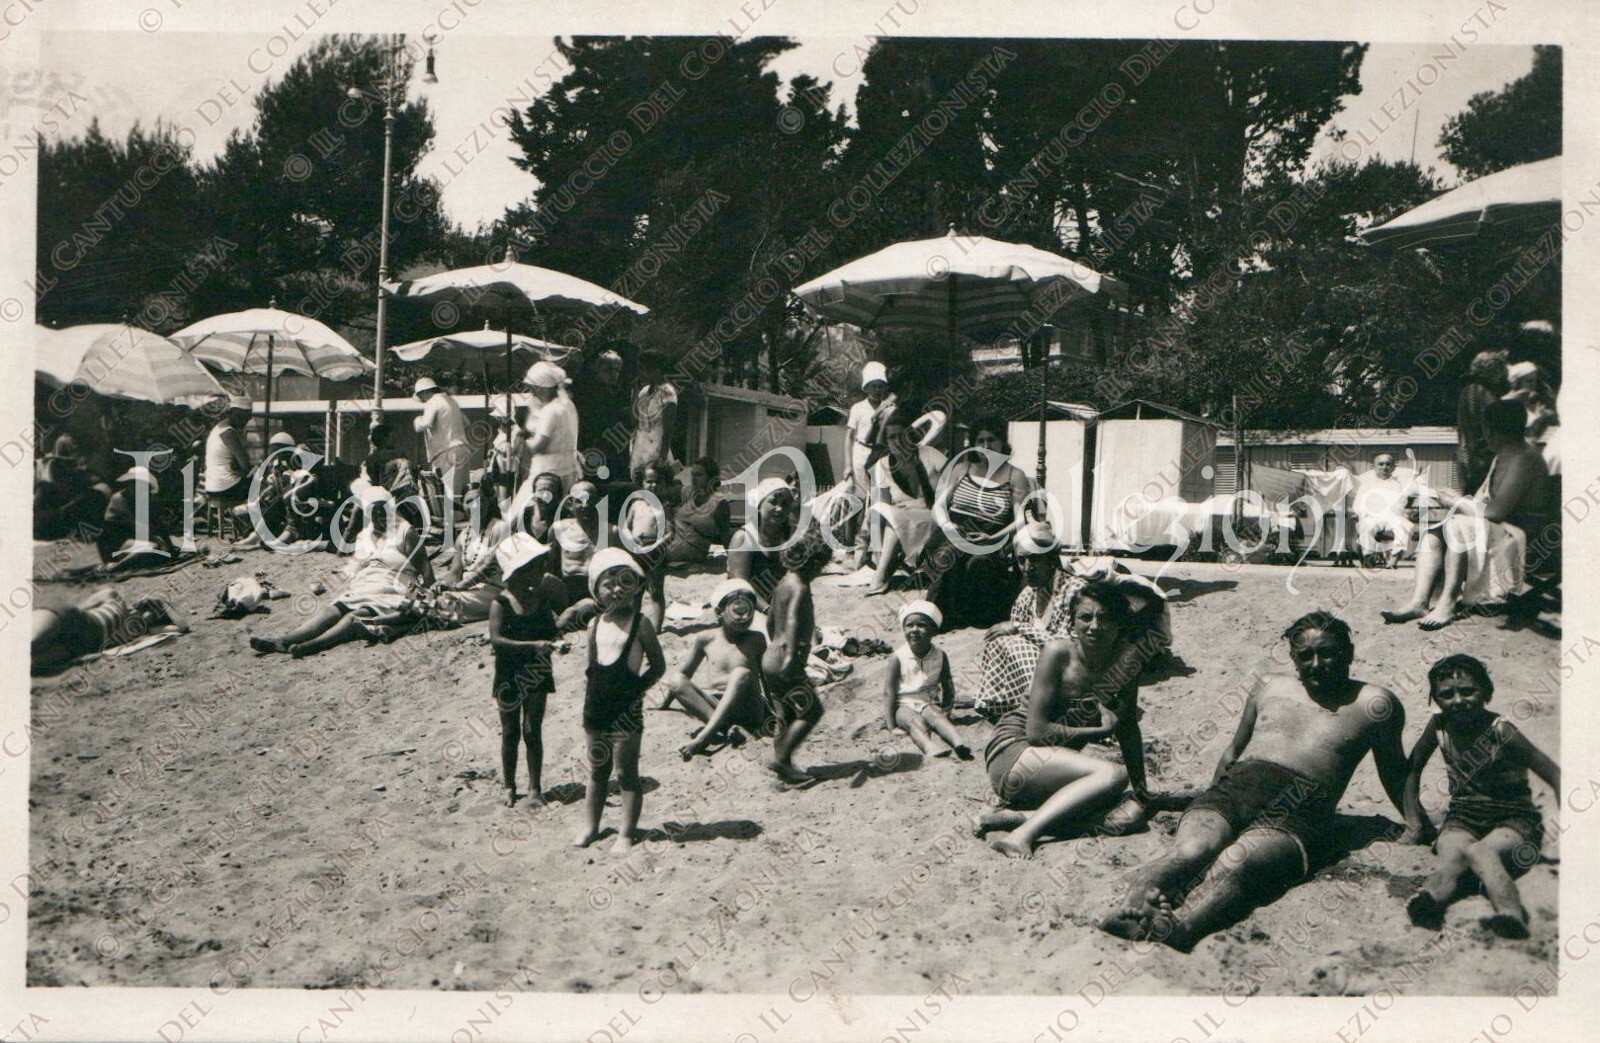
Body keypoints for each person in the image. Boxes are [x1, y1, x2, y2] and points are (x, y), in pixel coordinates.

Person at [1099, 611, 1409, 951]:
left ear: (1348, 653)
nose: (1317, 664)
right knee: (1192, 850)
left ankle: (1183, 928)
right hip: (1236, 787)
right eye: (1306, 655)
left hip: (1301, 807)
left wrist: (1416, 821)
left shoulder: (1373, 704)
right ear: (1293, 658)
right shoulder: (1270, 686)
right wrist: (1212, 797)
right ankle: (1132, 909)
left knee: (1238, 861)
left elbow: (1394, 770)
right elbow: (1233, 751)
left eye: (1328, 653)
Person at [974, 581, 1145, 859]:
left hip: (1051, 764)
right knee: (1113, 775)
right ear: (1073, 622)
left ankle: (1013, 818)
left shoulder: (1128, 660)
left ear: (1119, 623)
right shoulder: (1058, 653)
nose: (1094, 626)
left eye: (1105, 618)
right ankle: (1022, 835)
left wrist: (1142, 792)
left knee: (1127, 818)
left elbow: (1127, 728)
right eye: (1085, 617)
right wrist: (1099, 731)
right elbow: (1037, 733)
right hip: (1015, 753)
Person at [1401, 654, 1559, 939]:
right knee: (1452, 856)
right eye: (1446, 694)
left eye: (1468, 691)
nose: (1457, 700)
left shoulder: (1500, 730)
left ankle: (1510, 913)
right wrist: (1414, 821)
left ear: (1486, 693)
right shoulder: (1439, 727)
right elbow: (1412, 769)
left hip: (1513, 817)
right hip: (1463, 816)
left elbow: (1553, 773)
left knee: (1482, 852)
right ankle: (1428, 900)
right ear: (1435, 699)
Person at [1381, 400, 1552, 630]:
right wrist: (1454, 498)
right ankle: (1418, 602)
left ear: (1495, 430)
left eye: (1485, 429)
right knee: (1434, 533)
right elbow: (1481, 502)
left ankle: (1448, 603)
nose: (1484, 436)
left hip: (1523, 534)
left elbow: (1496, 511)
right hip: (1499, 528)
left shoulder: (1525, 459)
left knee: (1455, 526)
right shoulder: (1502, 458)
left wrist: (1455, 501)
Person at [249, 486, 433, 657]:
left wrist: (423, 597)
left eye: (382, 510)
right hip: (364, 586)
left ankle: (314, 645)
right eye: (373, 511)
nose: (378, 515)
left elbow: (426, 570)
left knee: (355, 616)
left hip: (393, 589)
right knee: (330, 611)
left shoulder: (405, 532)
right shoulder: (365, 535)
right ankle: (284, 640)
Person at [575, 548, 666, 853]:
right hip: (595, 709)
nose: (616, 589)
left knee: (626, 773)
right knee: (597, 771)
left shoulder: (641, 624)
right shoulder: (594, 625)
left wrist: (638, 689)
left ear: (635, 587)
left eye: (624, 582)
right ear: (596, 591)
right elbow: (591, 669)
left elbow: (658, 665)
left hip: (627, 710)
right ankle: (591, 826)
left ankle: (626, 833)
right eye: (608, 583)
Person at [924, 416, 1034, 629]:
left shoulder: (1014, 475)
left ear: (1002, 442)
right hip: (955, 530)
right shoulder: (962, 469)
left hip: (991, 534)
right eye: (980, 440)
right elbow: (939, 506)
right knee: (948, 552)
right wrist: (948, 526)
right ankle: (934, 614)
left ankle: (967, 615)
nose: (986, 445)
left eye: (991, 440)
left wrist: (993, 537)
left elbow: (1021, 518)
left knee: (979, 562)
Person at [489, 532, 568, 809]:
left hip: (537, 672)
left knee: (533, 730)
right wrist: (534, 645)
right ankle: (509, 785)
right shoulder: (500, 604)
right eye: (536, 567)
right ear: (520, 571)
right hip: (509, 673)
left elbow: (551, 630)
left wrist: (558, 642)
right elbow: (497, 640)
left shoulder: (541, 600)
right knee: (510, 732)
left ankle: (535, 787)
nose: (542, 571)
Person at [761, 524, 832, 786]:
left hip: (771, 655)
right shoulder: (800, 587)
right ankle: (781, 759)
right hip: (786, 658)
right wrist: (791, 654)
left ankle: (784, 765)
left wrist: (777, 645)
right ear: (814, 564)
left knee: (785, 711)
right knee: (813, 710)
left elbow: (771, 620)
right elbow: (792, 619)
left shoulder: (782, 583)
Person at [671, 578, 770, 759]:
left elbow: (767, 679)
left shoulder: (756, 639)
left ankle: (703, 737)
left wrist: (775, 714)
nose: (745, 618)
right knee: (676, 680)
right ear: (719, 613)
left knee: (741, 673)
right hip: (716, 705)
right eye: (737, 611)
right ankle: (727, 729)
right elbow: (685, 674)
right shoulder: (706, 639)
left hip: (749, 707)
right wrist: (667, 700)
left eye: (749, 612)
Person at [863, 408, 941, 596]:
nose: (897, 441)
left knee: (895, 519)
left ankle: (881, 576)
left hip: (933, 516)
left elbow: (953, 479)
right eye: (892, 437)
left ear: (911, 436)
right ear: (886, 441)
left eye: (902, 435)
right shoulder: (882, 465)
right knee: (887, 514)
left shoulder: (929, 454)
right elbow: (880, 509)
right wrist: (877, 553)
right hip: (902, 520)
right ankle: (883, 568)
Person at [882, 600, 969, 760]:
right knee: (914, 722)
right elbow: (889, 692)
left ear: (933, 631)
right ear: (903, 629)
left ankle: (958, 742)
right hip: (904, 704)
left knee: (939, 719)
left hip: (928, 702)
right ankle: (929, 746)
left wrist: (947, 709)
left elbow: (948, 685)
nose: (914, 630)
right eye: (909, 625)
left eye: (921, 625)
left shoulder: (940, 655)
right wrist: (891, 725)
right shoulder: (898, 657)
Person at [33, 588, 183, 675]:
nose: (149, 616)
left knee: (31, 664)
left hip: (78, 647)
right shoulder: (114, 597)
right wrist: (154, 600)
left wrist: (164, 603)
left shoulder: (145, 631)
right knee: (32, 642)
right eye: (150, 609)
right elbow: (80, 608)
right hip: (73, 620)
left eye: (156, 616)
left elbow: (183, 627)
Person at [434, 487, 513, 624]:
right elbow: (455, 572)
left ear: (488, 503)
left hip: (493, 590)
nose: (474, 506)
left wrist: (458, 587)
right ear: (463, 506)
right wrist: (442, 584)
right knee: (428, 599)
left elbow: (490, 568)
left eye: (479, 500)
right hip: (467, 591)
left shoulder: (500, 528)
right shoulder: (463, 536)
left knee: (441, 604)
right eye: (469, 502)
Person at [845, 361, 896, 568]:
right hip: (860, 454)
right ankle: (849, 550)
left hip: (880, 455)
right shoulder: (858, 408)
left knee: (877, 503)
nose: (877, 390)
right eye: (873, 386)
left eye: (880, 386)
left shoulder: (889, 408)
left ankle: (873, 551)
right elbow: (849, 437)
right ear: (866, 388)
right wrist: (847, 465)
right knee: (855, 502)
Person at [727, 477, 798, 613]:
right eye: (773, 502)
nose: (779, 509)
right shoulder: (743, 538)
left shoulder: (788, 536)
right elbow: (740, 586)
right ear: (759, 505)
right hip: (744, 606)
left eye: (785, 503)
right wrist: (768, 611)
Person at [622, 460, 676, 629]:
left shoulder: (665, 507)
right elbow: (626, 527)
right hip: (636, 550)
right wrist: (630, 540)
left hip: (655, 552)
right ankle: (633, 624)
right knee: (635, 590)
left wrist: (657, 544)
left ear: (665, 483)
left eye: (658, 481)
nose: (653, 485)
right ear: (642, 483)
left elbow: (670, 533)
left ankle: (656, 627)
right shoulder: (636, 505)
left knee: (655, 591)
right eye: (649, 481)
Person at [518, 360, 582, 499]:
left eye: (534, 389)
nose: (533, 394)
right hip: (567, 469)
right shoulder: (568, 405)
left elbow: (539, 446)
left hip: (547, 473)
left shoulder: (550, 410)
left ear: (544, 387)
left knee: (524, 508)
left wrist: (526, 437)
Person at [550, 480, 618, 606]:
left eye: (590, 500)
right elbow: (550, 566)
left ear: (598, 502)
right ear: (570, 504)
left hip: (599, 592)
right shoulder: (558, 529)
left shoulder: (612, 532)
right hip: (567, 591)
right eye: (579, 501)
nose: (585, 505)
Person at [34, 434, 110, 541]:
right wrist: (68, 509)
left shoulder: (90, 487)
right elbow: (38, 526)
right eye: (59, 464)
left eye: (70, 464)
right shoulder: (46, 488)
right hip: (54, 532)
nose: (65, 469)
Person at [1456, 350, 1509, 495]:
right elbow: (1498, 423)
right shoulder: (1483, 392)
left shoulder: (1468, 390)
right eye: (1501, 369)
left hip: (1467, 457)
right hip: (1482, 458)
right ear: (1491, 369)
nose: (1504, 374)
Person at [661, 456, 731, 566]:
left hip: (693, 552)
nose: (694, 479)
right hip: (672, 544)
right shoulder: (687, 492)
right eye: (692, 474)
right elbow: (661, 494)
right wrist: (669, 521)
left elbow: (725, 535)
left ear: (711, 478)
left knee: (649, 554)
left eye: (699, 475)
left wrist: (733, 560)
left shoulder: (719, 504)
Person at [1351, 453, 1415, 568]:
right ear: (1374, 466)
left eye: (1388, 464)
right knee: (1366, 526)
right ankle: (1368, 556)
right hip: (1373, 516)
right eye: (1381, 464)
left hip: (1393, 516)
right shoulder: (1366, 484)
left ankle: (1394, 557)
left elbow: (1402, 503)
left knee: (1406, 526)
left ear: (1393, 467)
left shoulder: (1398, 484)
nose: (1384, 467)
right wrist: (1365, 515)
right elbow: (1358, 504)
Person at [412, 377, 471, 500]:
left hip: (447, 452)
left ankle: (451, 513)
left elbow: (425, 423)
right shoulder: (451, 401)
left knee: (449, 495)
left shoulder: (432, 402)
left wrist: (417, 420)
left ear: (424, 393)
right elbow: (466, 422)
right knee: (463, 492)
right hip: (462, 449)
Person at [629, 351, 679, 477]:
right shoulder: (643, 392)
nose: (641, 373)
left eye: (644, 369)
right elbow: (634, 420)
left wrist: (662, 457)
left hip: (657, 446)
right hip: (640, 445)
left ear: (656, 369)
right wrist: (635, 391)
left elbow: (668, 428)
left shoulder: (667, 392)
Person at [205, 395, 254, 508]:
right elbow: (245, 466)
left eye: (247, 419)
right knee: (263, 487)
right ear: (231, 414)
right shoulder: (229, 433)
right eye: (242, 418)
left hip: (213, 485)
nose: (245, 422)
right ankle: (246, 517)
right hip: (226, 487)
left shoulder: (219, 428)